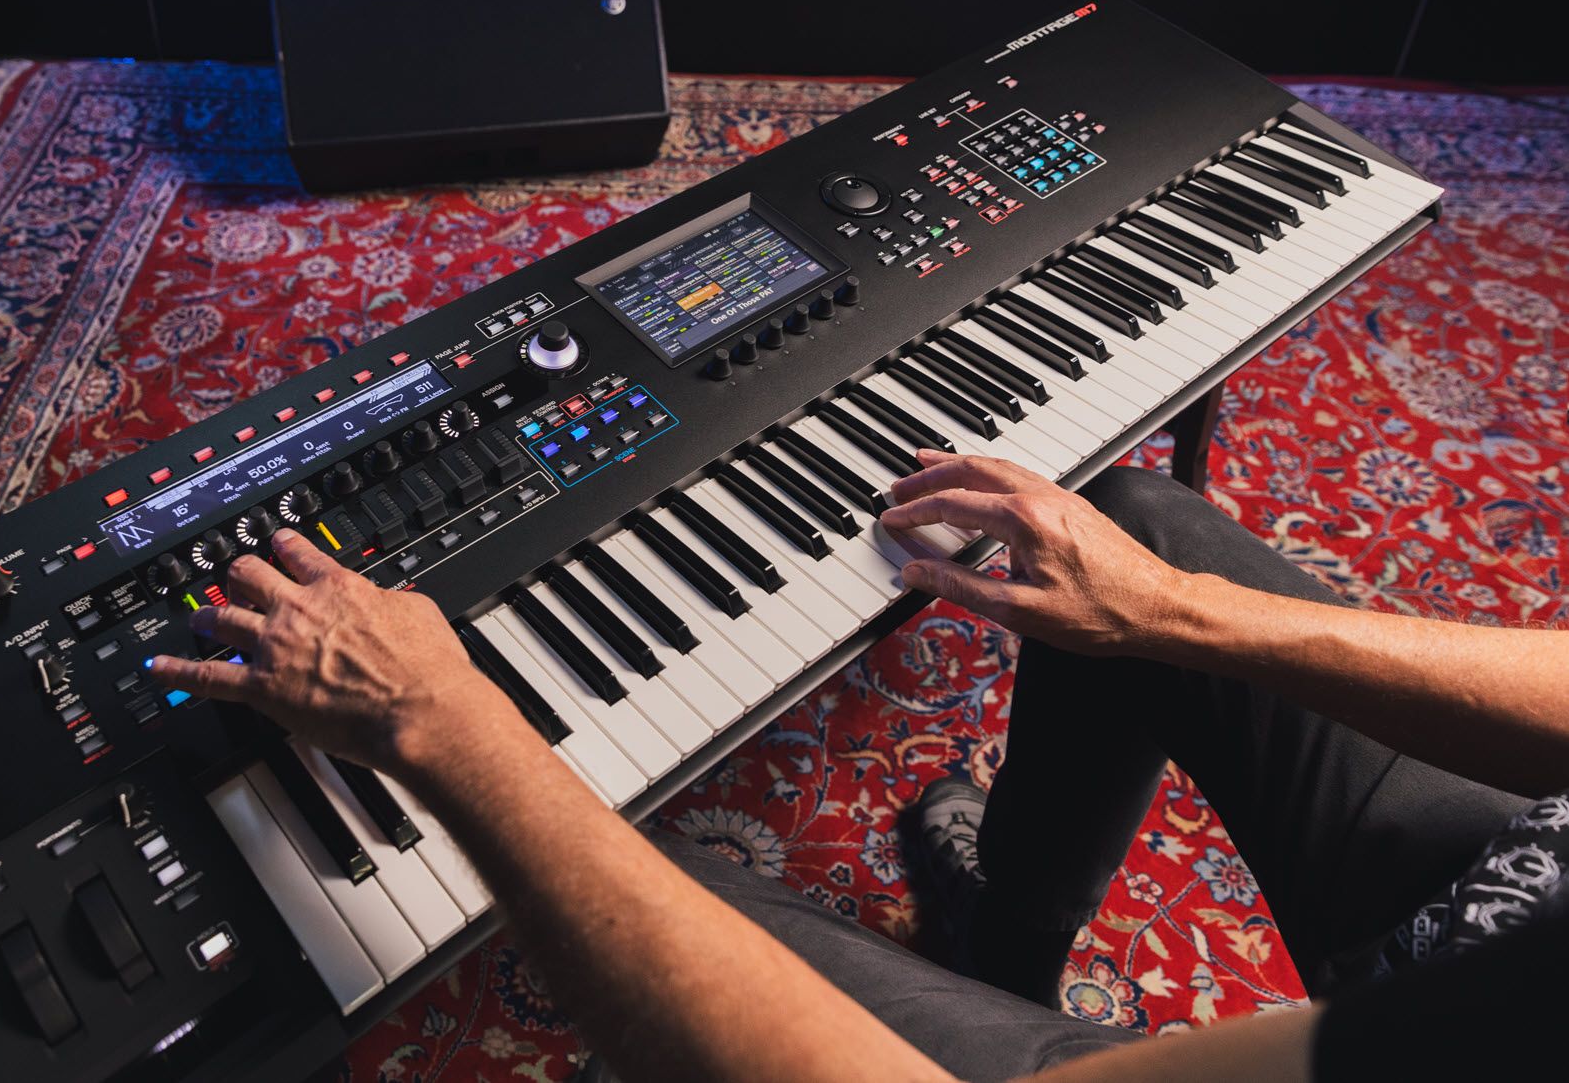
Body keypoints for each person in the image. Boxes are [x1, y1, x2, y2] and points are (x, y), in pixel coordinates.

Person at [149, 448, 1567, 1081]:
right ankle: (1005, 950)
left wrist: (444, 724)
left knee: (650, 881)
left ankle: (1004, 1015)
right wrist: (1162, 605)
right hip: (1518, 872)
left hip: (1472, 1010)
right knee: (1138, 520)